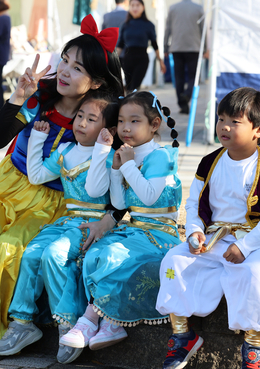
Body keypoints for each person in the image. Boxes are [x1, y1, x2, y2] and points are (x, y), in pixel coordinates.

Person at [0, 14, 124, 361]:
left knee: (9, 247)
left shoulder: (99, 121)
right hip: (8, 188)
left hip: (53, 202)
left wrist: (111, 218)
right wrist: (17, 97)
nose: (65, 71)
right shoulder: (39, 99)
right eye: (64, 61)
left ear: (97, 82)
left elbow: (119, 178)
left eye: (77, 69)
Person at [155, 87, 260, 369]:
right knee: (175, 261)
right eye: (220, 119)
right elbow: (194, 204)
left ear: (259, 129)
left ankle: (253, 346)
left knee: (255, 273)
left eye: (235, 121)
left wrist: (244, 247)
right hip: (215, 237)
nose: (224, 127)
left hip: (259, 242)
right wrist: (194, 231)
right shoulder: (209, 162)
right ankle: (183, 335)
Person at [0, 93, 120, 364]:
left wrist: (101, 150)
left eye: (91, 119)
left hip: (93, 223)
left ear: (107, 130)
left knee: (54, 254)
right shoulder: (65, 150)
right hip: (67, 220)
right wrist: (38, 139)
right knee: (31, 253)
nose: (82, 123)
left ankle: (69, 323)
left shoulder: (109, 158)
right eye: (80, 116)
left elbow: (95, 190)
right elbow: (37, 175)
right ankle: (22, 321)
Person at [58, 91, 182, 362]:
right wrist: (116, 171)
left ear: (154, 124)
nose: (126, 128)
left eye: (135, 121)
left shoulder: (160, 156)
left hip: (159, 234)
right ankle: (111, 323)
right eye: (122, 121)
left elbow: (149, 196)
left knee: (114, 256)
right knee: (96, 252)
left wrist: (126, 167)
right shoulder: (127, 154)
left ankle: (90, 320)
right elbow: (118, 202)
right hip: (136, 229)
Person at [164, 0, 205, 114]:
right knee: (193, 76)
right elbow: (203, 29)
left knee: (179, 77)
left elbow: (168, 28)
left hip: (177, 47)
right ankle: (187, 95)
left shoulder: (172, 8)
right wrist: (205, 48)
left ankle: (183, 105)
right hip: (194, 47)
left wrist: (165, 46)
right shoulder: (199, 8)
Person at [116, 0, 166, 91]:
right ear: (129, 7)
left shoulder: (149, 25)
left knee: (134, 87)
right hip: (127, 60)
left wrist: (161, 62)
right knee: (128, 87)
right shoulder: (125, 25)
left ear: (143, 7)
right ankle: (128, 104)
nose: (135, 8)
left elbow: (155, 44)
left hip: (142, 60)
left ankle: (131, 103)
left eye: (137, 5)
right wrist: (113, 60)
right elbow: (120, 45)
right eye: (132, 5)